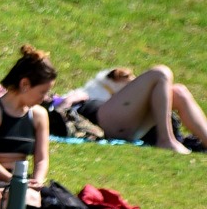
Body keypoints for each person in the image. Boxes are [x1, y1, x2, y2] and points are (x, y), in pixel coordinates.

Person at [63, 66, 207, 155]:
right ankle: (166, 139)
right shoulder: (87, 93)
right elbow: (58, 105)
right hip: (99, 118)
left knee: (179, 91)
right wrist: (69, 99)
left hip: (128, 127)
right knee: (161, 72)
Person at [0, 46, 55, 186]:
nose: (45, 98)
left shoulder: (39, 115)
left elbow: (42, 159)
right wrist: (14, 182)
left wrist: (37, 181)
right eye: (42, 92)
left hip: (22, 180)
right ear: (25, 84)